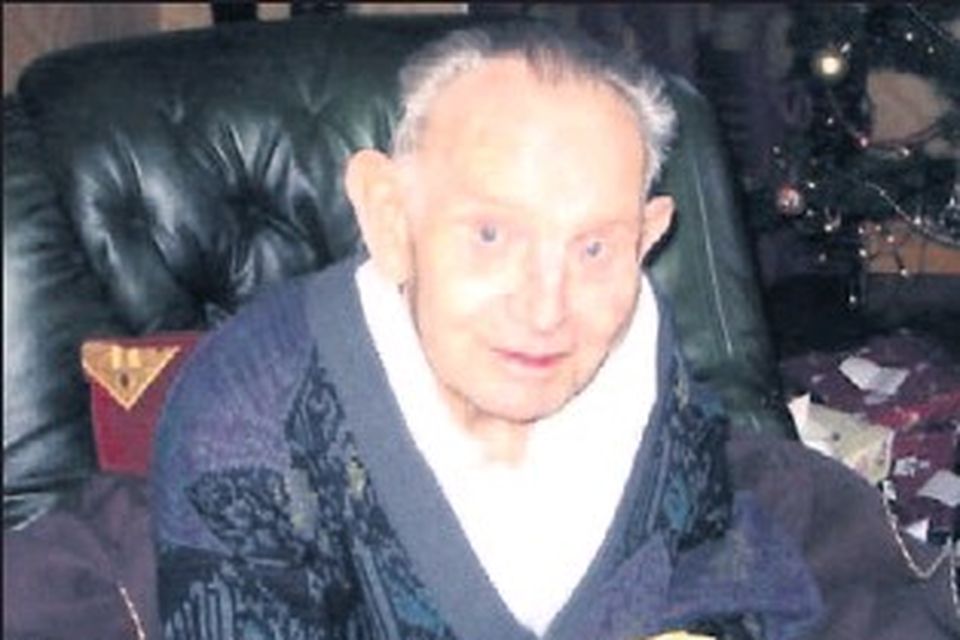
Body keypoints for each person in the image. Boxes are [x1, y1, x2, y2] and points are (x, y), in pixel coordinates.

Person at [151, 20, 958, 640]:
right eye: (490, 235)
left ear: (646, 239)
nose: (546, 309)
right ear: (391, 217)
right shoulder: (246, 408)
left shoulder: (636, 346)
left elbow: (705, 546)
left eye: (595, 246)